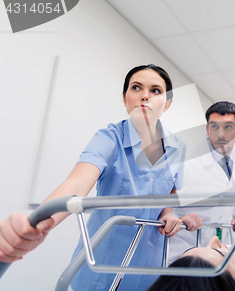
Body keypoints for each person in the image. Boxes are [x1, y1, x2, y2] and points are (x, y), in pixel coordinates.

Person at [0, 64, 203, 290]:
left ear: (166, 105)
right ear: (125, 98)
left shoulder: (178, 147)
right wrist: (38, 223)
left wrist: (168, 213)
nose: (145, 95)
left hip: (149, 259)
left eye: (155, 90)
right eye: (137, 87)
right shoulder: (109, 138)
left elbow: (171, 188)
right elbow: (77, 184)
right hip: (105, 259)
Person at [168, 101, 235, 263]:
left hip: (220, 236)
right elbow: (168, 201)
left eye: (228, 127)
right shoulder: (187, 162)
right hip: (188, 240)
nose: (221, 134)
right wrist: (180, 216)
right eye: (214, 127)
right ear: (208, 129)